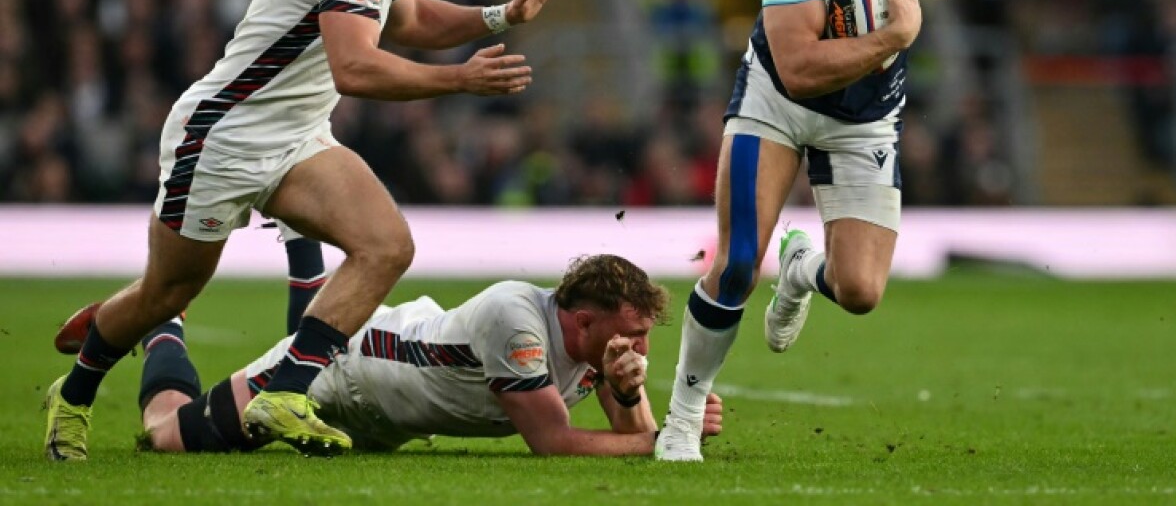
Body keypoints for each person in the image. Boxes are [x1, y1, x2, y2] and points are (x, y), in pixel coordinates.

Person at [43, 0, 576, 461]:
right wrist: (460, 79)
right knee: (168, 292)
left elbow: (409, 22)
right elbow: (355, 68)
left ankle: (288, 391)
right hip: (224, 140)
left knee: (386, 246)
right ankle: (73, 394)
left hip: (295, 139)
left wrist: (502, 14)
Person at [653, 0, 958, 462]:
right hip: (779, 100)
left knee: (861, 293)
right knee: (736, 263)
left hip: (867, 118)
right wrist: (895, 38)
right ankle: (681, 414)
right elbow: (798, 67)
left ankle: (802, 270)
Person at [103, 254, 722, 456]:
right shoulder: (517, 318)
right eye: (631, 335)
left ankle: (301, 248)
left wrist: (629, 394)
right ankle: (163, 325)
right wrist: (671, 434)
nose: (637, 349)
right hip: (342, 371)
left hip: (384, 421)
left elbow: (636, 438)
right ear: (582, 320)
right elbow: (553, 441)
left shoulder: (594, 346)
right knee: (165, 435)